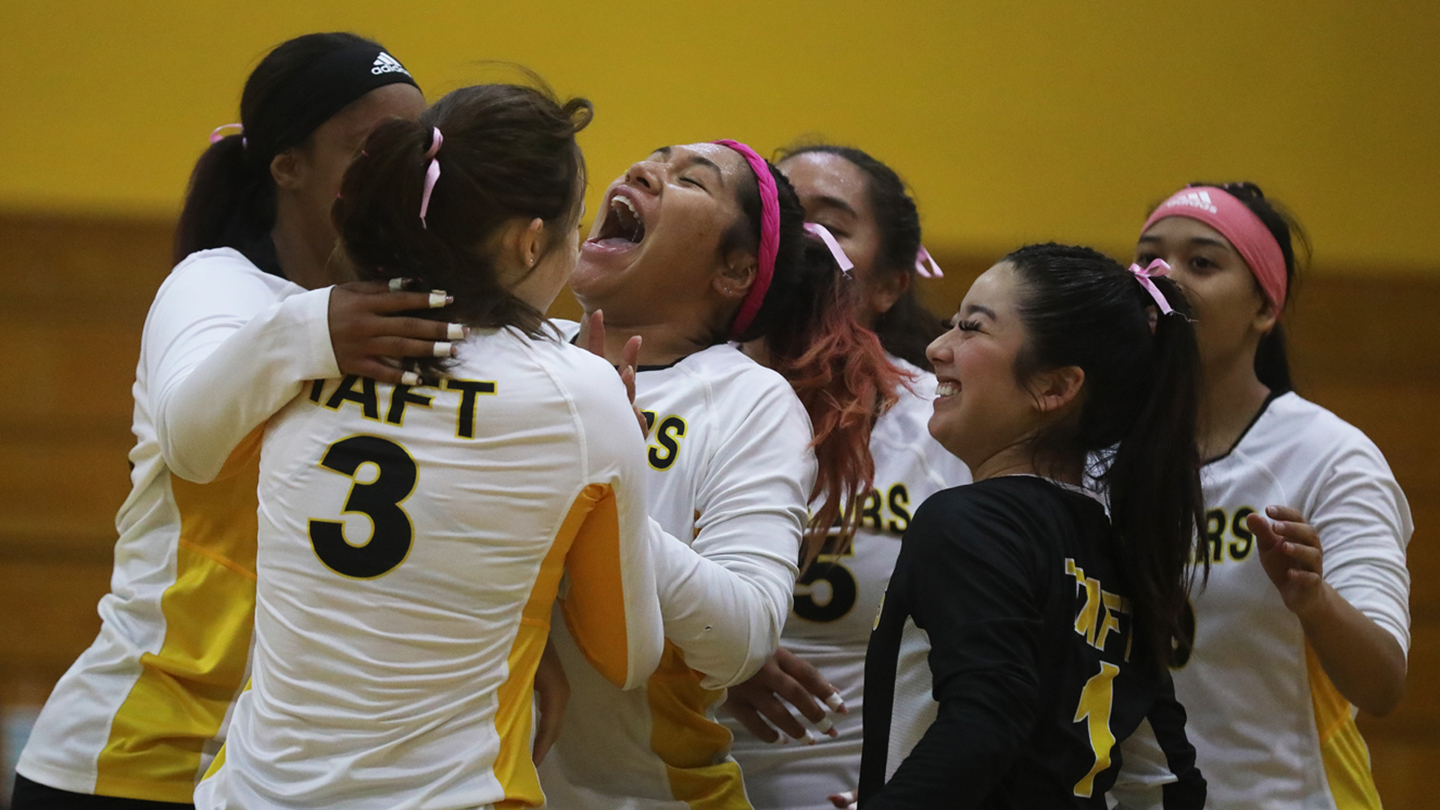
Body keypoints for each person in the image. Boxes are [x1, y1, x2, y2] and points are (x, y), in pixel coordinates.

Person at [192, 82, 668, 810]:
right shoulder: (581, 393)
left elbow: (189, 449)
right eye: (572, 228)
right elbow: (627, 655)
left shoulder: (313, 340)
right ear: (530, 241)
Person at [13, 33, 446, 809]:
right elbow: (190, 437)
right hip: (142, 760)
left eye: (416, 147)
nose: (401, 171)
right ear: (288, 166)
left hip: (295, 779)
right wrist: (311, 333)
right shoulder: (217, 284)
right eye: (369, 148)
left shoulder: (415, 311)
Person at [538, 140, 902, 809]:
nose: (642, 170)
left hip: (647, 795)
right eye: (651, 158)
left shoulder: (747, 401)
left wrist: (602, 492)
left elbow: (742, 640)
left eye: (689, 180)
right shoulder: (521, 351)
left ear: (733, 271)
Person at [860, 243, 1207, 808]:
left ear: (1054, 387)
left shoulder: (967, 521)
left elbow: (984, 726)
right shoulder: (1121, 550)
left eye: (971, 328)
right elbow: (1171, 779)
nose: (936, 347)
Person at [1112, 183, 1411, 809]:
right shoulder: (1093, 452)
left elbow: (1382, 684)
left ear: (1264, 311)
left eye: (1202, 261)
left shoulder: (1329, 456)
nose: (1164, 277)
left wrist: (1315, 601)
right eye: (1148, 259)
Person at [720, 144, 969, 810]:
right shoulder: (686, 390)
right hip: (663, 779)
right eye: (787, 214)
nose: (804, 238)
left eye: (831, 220)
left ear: (889, 284)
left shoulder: (944, 425)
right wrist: (703, 653)